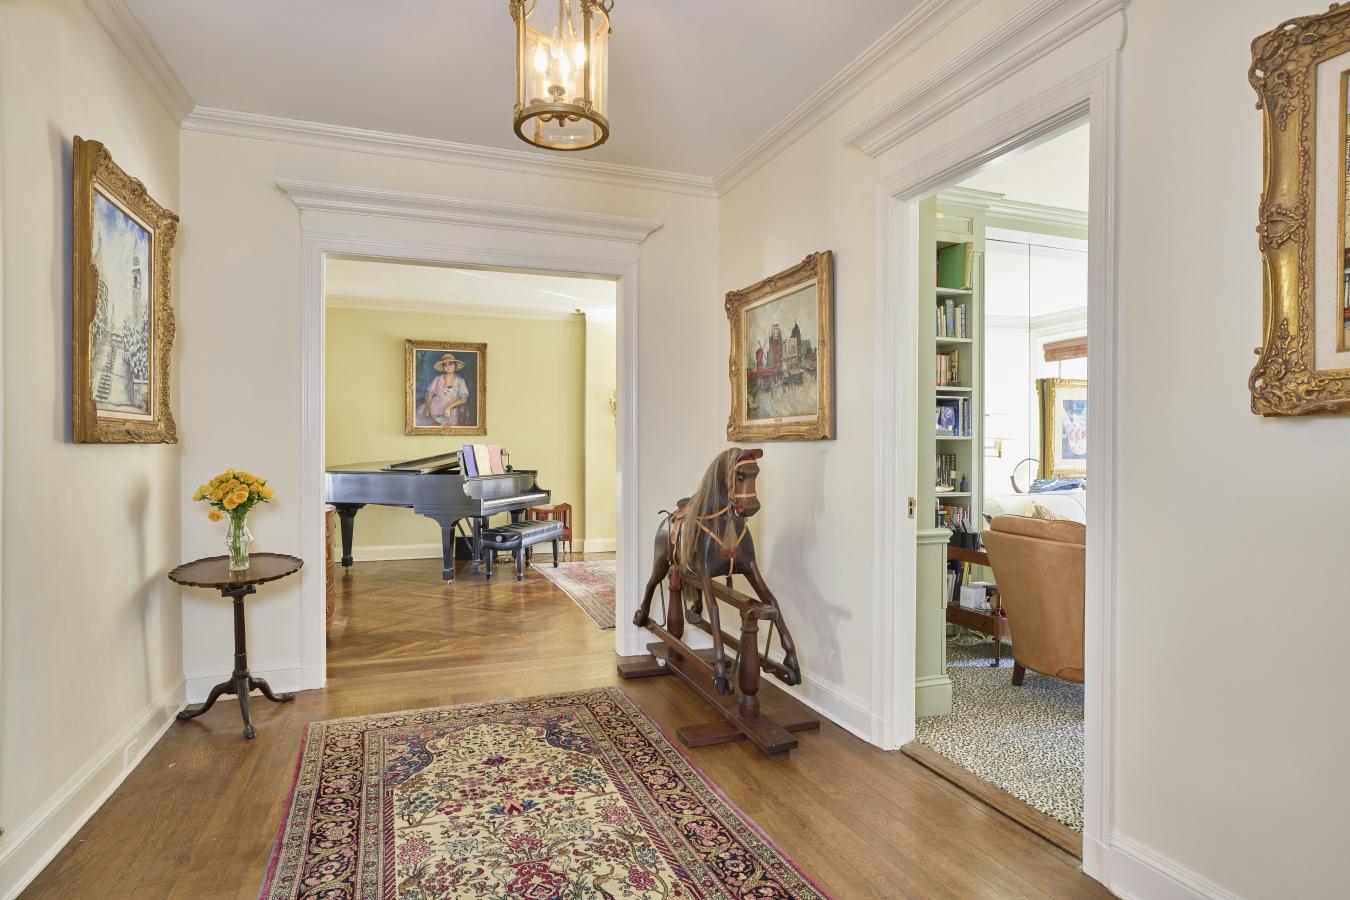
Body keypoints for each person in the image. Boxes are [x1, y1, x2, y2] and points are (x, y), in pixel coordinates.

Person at [421, 353, 471, 426]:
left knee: (448, 424)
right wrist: (427, 408)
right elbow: (429, 393)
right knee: (430, 422)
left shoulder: (460, 381)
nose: (448, 366)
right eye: (445, 365)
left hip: (450, 411)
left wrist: (449, 407)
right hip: (435, 409)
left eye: (450, 364)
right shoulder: (438, 379)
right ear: (443, 367)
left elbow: (464, 398)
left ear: (455, 366)